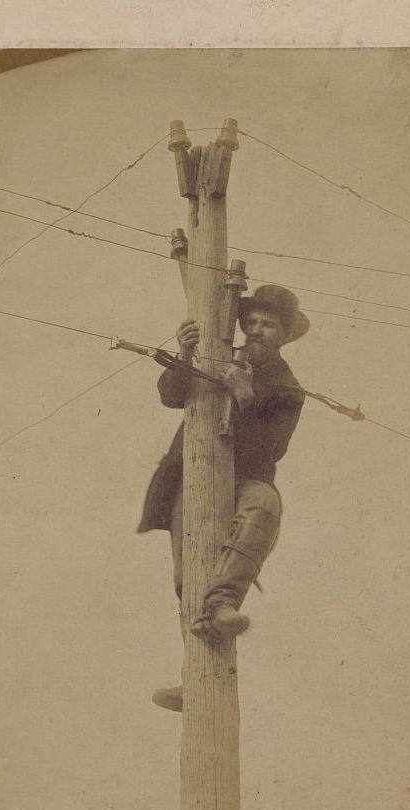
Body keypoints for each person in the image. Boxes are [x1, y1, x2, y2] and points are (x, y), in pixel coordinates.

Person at [138, 285, 309, 711]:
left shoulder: (287, 389)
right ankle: (192, 677)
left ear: (284, 335)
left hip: (245, 478)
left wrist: (246, 396)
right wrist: (185, 353)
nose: (255, 330)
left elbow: (270, 451)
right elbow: (170, 395)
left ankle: (222, 602)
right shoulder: (217, 354)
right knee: (187, 578)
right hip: (192, 477)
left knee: (264, 507)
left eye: (267, 325)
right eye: (250, 322)